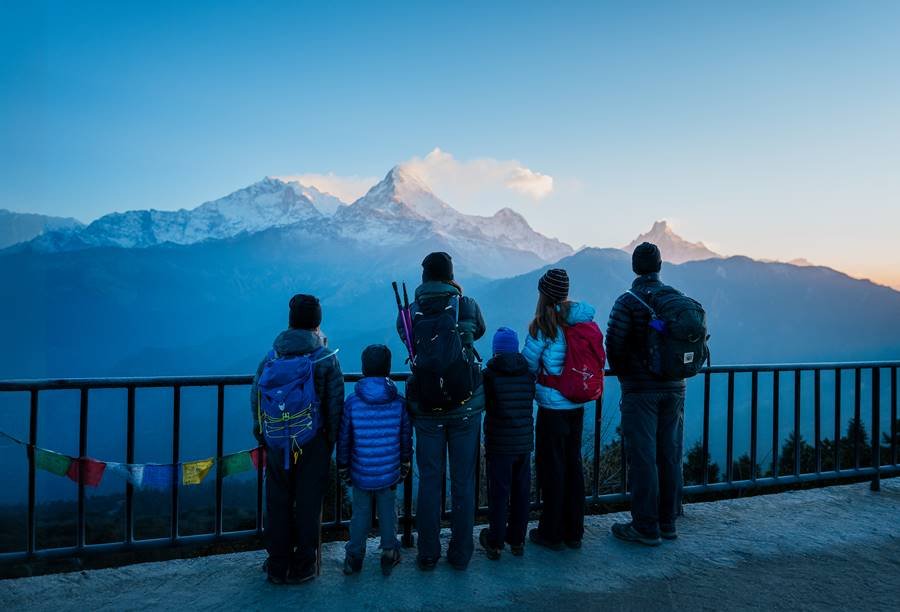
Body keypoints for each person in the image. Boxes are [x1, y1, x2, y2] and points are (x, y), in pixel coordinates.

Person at [397, 252, 486, 571]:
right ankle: (461, 553)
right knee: (463, 481)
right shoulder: (467, 305)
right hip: (465, 406)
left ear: (424, 277)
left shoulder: (409, 311)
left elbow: (406, 339)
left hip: (427, 409)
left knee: (430, 480)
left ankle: (427, 552)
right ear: (450, 275)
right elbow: (480, 332)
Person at [250, 294, 344, 584]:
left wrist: (262, 431)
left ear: (291, 322)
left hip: (278, 438)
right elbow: (335, 401)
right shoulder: (325, 357)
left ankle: (277, 564)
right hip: (313, 440)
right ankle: (304, 564)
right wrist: (330, 438)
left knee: (277, 500)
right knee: (308, 501)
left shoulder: (272, 356)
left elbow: (257, 396)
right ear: (318, 321)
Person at [606, 242, 686, 546]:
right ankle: (668, 523)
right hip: (675, 386)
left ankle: (645, 526)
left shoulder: (628, 301)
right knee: (668, 455)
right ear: (660, 266)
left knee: (643, 458)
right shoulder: (674, 298)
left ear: (634, 267)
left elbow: (614, 343)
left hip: (641, 391)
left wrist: (627, 375)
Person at [522, 268, 599, 550]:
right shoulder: (581, 321)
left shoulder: (542, 326)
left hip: (552, 407)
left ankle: (551, 532)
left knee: (551, 467)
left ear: (544, 295)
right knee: (573, 465)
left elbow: (528, 365)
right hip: (577, 403)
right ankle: (574, 531)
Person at [337, 344, 412, 577]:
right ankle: (389, 553)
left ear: (363, 369)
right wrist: (405, 462)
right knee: (388, 511)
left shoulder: (352, 403)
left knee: (360, 513)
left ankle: (354, 556)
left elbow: (344, 438)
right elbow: (405, 436)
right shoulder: (399, 403)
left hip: (361, 471)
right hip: (389, 471)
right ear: (389, 369)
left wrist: (343, 466)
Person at [479, 327, 536, 560]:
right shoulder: (528, 373)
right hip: (523, 443)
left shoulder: (489, 375)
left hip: (499, 444)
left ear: (495, 351)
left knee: (499, 493)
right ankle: (517, 541)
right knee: (522, 492)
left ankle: (495, 542)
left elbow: (483, 403)